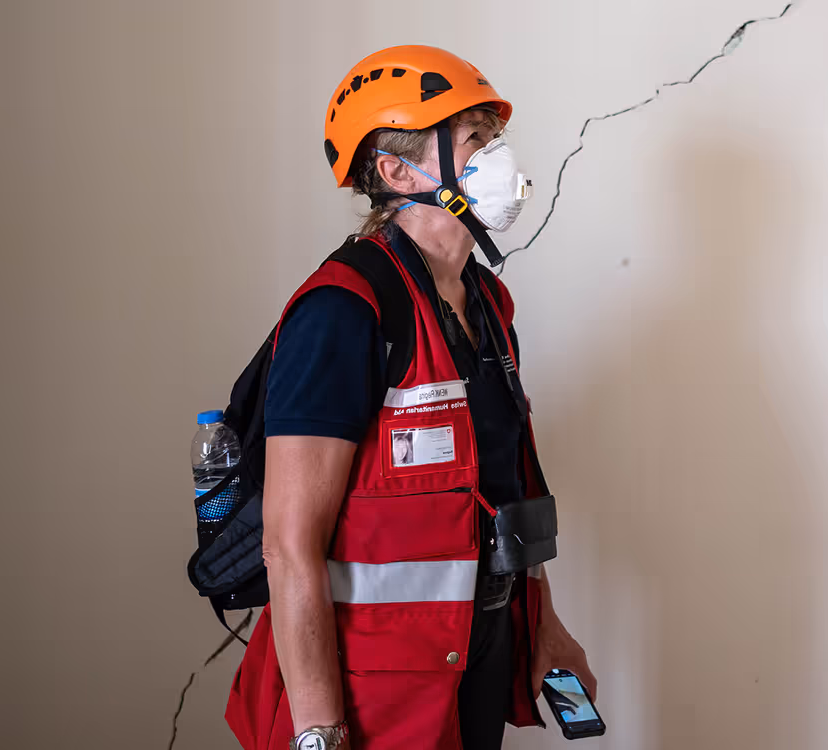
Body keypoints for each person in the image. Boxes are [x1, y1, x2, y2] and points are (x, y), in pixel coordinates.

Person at [225, 46, 596, 750]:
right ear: (397, 172)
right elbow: (288, 544)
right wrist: (319, 734)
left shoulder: (487, 303)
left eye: (494, 137)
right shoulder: (344, 309)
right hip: (369, 684)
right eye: (475, 141)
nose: (499, 158)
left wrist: (543, 622)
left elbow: (499, 483)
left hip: (473, 652)